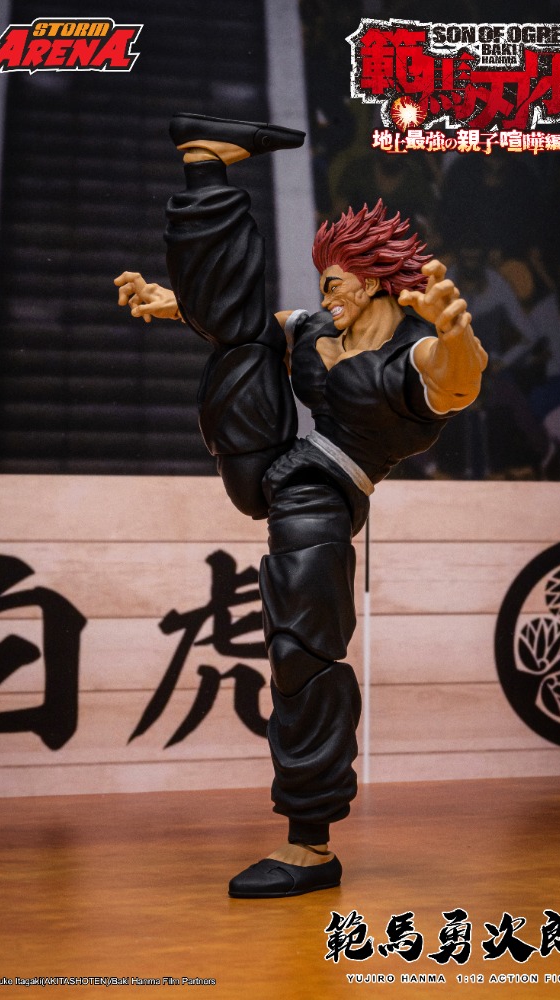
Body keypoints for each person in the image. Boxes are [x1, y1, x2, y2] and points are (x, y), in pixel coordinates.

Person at [115, 112, 487, 898]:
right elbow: (252, 326)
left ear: (375, 281)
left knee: (304, 659)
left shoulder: (409, 356)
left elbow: (456, 380)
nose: (326, 297)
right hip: (273, 466)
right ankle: (206, 165)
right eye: (323, 285)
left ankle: (310, 845)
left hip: (324, 497)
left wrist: (458, 335)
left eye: (336, 282)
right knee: (239, 331)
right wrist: (173, 303)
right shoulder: (316, 328)